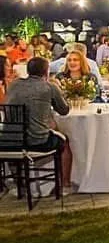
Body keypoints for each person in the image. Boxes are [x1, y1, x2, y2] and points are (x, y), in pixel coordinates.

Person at [2, 57, 72, 188]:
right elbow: (64, 110)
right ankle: (65, 183)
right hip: (36, 141)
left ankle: (20, 183)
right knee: (65, 141)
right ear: (46, 71)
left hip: (9, 140)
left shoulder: (13, 85)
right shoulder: (49, 87)